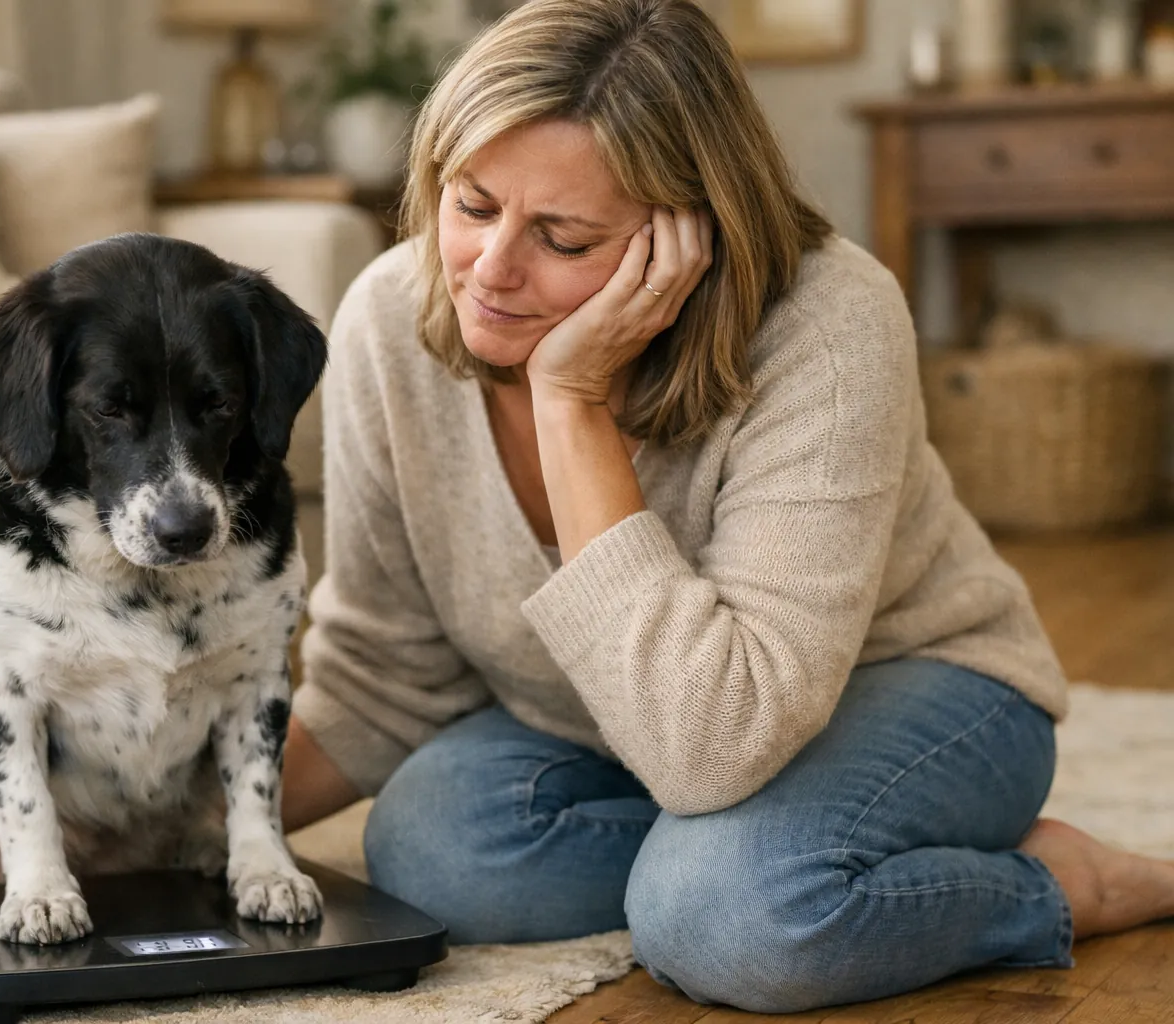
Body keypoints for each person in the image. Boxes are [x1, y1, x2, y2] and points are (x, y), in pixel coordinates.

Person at [278, 0, 1174, 1012]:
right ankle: (789, 867)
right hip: (620, 737)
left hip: (912, 688)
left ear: (687, 236)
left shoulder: (830, 322)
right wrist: (159, 827)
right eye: (472, 205)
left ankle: (1055, 882)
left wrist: (570, 405)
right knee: (427, 849)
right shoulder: (390, 320)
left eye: (562, 237)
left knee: (729, 921)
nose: (490, 271)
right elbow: (383, 672)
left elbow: (714, 744)